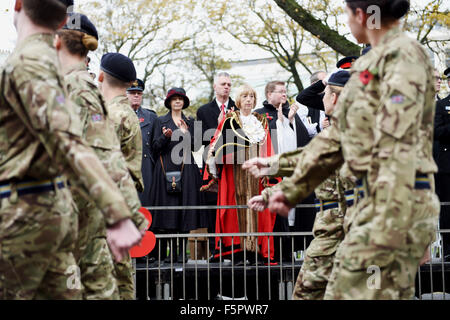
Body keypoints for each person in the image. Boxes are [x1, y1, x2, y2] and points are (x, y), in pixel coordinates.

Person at [245, 0, 439, 299]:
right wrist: (290, 187)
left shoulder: (401, 57)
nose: (347, 21)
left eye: (348, 14)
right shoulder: (373, 64)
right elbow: (340, 138)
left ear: (363, 15)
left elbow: (394, 140)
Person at [0, 0, 142, 300]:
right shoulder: (48, 68)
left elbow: (68, 138)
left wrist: (119, 213)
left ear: (17, 5)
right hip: (55, 210)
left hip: (27, 215)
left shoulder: (31, 63)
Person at [55, 13, 147, 299]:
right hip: (107, 211)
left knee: (107, 285)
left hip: (97, 214)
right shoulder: (118, 111)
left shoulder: (102, 107)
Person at [202, 84, 277, 264]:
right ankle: (237, 251)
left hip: (256, 173)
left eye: (251, 96)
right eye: (245, 96)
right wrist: (215, 155)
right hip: (234, 172)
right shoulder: (230, 119)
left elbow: (268, 148)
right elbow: (216, 143)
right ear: (238, 100)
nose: (249, 100)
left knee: (257, 210)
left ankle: (255, 252)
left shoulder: (261, 121)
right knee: (235, 211)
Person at [98, 52, 144, 300]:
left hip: (109, 202)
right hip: (120, 200)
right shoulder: (124, 113)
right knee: (120, 273)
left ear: (101, 76)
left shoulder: (113, 116)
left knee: (108, 276)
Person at [255, 81, 314, 260]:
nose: (284, 95)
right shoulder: (259, 115)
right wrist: (278, 124)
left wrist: (289, 123)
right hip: (270, 176)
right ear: (268, 95)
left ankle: (293, 251)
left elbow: (302, 143)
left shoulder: (292, 114)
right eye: (280, 92)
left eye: (285, 91)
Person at [150, 87, 206, 263]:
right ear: (169, 102)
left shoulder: (190, 120)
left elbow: (197, 147)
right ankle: (169, 254)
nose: (177, 102)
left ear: (184, 102)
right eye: (174, 99)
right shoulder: (160, 121)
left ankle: (182, 253)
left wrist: (186, 133)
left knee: (184, 211)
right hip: (165, 168)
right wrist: (166, 136)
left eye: (180, 99)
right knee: (168, 211)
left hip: (186, 170)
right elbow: (154, 147)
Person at [197, 72, 236, 255]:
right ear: (215, 86)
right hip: (212, 170)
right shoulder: (203, 111)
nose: (226, 87)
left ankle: (234, 249)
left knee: (233, 208)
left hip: (233, 167)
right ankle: (215, 249)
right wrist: (218, 127)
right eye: (223, 84)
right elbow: (198, 141)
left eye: (229, 84)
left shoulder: (237, 107)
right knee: (213, 209)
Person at [126, 79, 158, 207]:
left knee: (146, 203)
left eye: (139, 93)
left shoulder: (151, 117)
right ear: (126, 94)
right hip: (125, 164)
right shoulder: (117, 114)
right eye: (132, 92)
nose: (136, 96)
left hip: (146, 166)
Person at [434, 67, 450, 261]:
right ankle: (448, 249)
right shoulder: (442, 105)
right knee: (447, 208)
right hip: (447, 165)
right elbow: (437, 132)